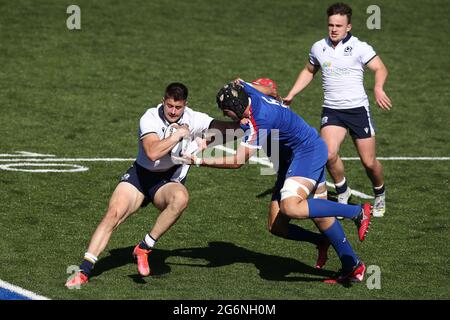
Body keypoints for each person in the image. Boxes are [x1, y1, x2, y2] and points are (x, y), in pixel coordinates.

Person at [184, 80, 372, 283]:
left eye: (225, 111)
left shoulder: (260, 120)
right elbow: (268, 87)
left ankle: (357, 212)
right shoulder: (246, 92)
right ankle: (349, 263)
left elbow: (237, 161)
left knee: (291, 207)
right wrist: (204, 142)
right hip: (291, 159)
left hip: (307, 152)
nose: (225, 115)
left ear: (234, 109)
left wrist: (198, 160)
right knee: (278, 225)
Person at [65, 82, 237, 288]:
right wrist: (177, 135)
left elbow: (230, 131)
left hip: (166, 182)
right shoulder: (150, 117)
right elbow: (153, 152)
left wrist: (238, 124)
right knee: (113, 214)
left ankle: (144, 247)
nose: (173, 112)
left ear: (185, 105)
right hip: (141, 175)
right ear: (163, 101)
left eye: (178, 107)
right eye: (170, 106)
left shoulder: (195, 118)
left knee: (181, 198)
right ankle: (84, 271)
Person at [284, 2, 392, 217]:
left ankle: (379, 193)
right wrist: (292, 93)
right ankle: (343, 190)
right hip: (332, 110)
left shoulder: (360, 47)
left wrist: (378, 87)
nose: (334, 29)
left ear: (348, 27)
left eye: (339, 26)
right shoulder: (318, 47)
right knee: (329, 154)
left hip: (357, 110)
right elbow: (309, 70)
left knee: (369, 162)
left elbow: (380, 67)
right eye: (331, 25)